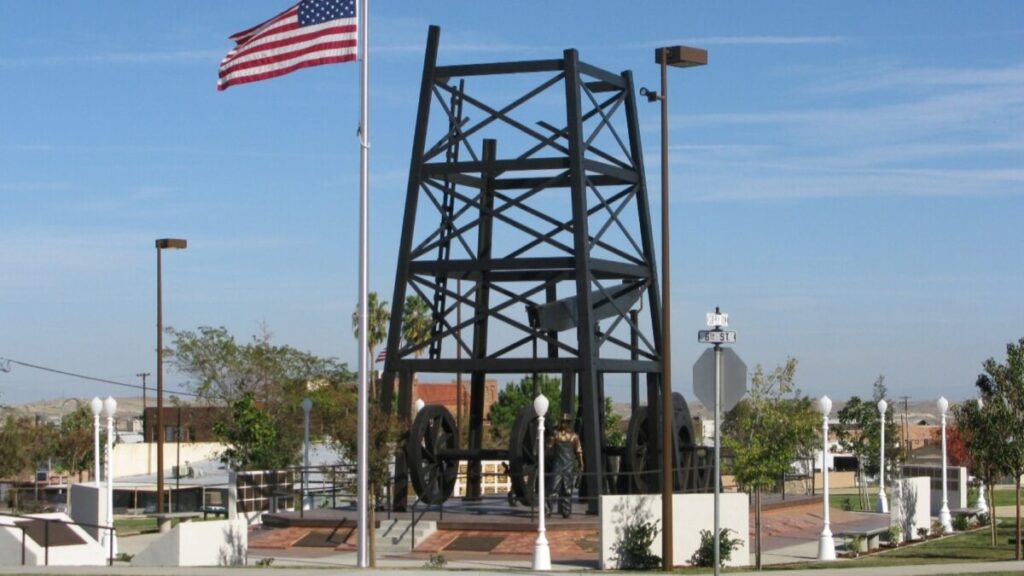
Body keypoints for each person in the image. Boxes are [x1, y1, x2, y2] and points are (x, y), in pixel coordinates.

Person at [548, 414, 583, 517]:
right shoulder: (556, 435)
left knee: (567, 489)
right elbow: (548, 448)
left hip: (569, 465)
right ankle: (548, 509)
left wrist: (581, 463)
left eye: (566, 422)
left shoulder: (574, 437)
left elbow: (579, 451)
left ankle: (566, 511)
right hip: (558, 465)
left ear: (569, 423)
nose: (563, 423)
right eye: (562, 421)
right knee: (553, 488)